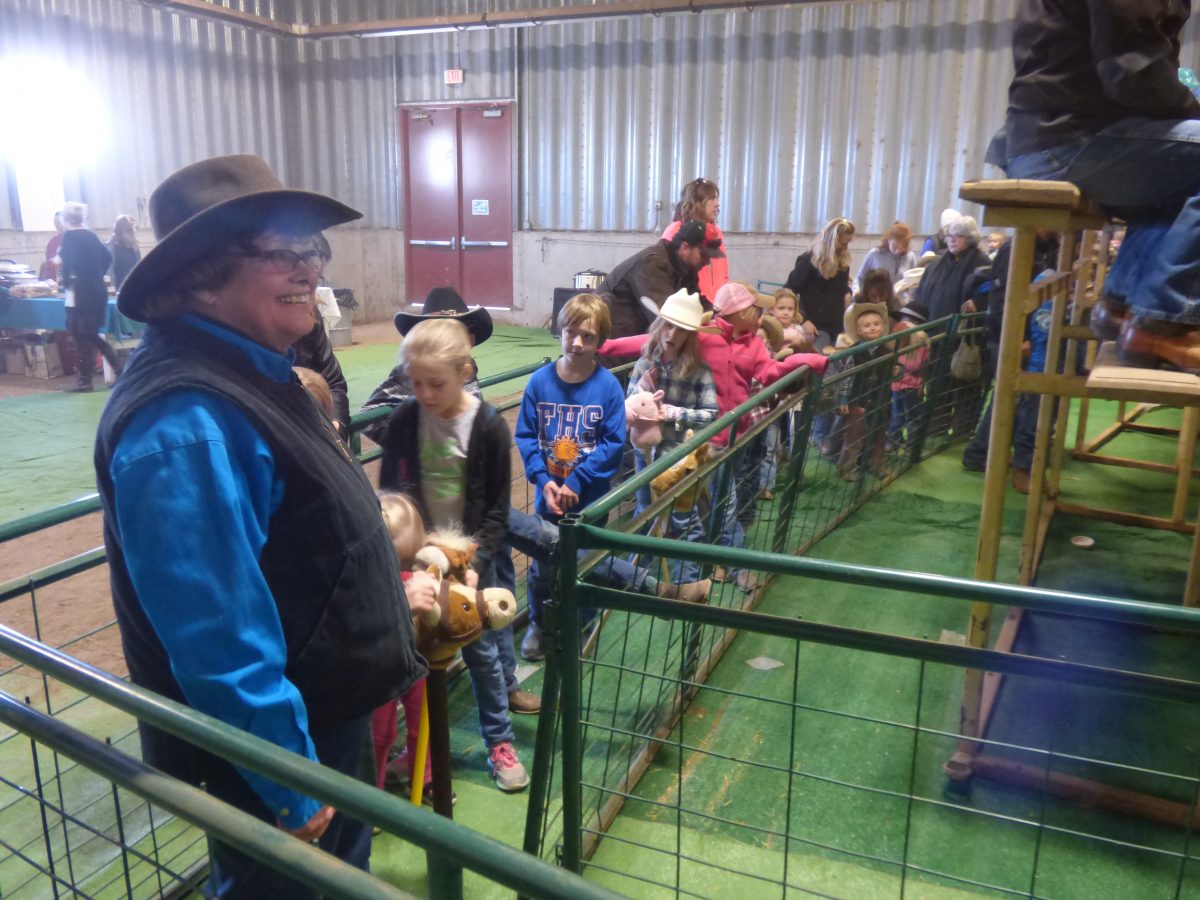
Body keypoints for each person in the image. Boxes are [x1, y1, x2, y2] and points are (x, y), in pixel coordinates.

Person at [94, 155, 430, 897]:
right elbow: (215, 632)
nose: (311, 268)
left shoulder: (254, 370)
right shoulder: (187, 417)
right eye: (283, 252)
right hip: (285, 745)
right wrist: (290, 777)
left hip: (323, 713)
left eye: (313, 249)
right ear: (201, 276)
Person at [984, 0, 1200, 369]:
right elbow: (1132, 70)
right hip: (1066, 140)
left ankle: (1123, 306)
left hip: (1053, 135)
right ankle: (1162, 321)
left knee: (1178, 171)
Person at [374, 317, 531, 793]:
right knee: (415, 653)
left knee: (481, 652)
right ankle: (418, 749)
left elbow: (497, 512)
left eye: (435, 384)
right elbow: (392, 494)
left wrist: (471, 567)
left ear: (464, 372)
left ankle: (499, 742)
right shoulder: (405, 420)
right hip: (415, 562)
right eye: (415, 383)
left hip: (467, 561)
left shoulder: (487, 427)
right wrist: (407, 556)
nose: (424, 394)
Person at [515, 293, 627, 660]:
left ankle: (582, 624)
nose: (577, 343)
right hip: (548, 496)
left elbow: (613, 443)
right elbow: (526, 435)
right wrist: (542, 479)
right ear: (560, 331)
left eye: (587, 337)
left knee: (586, 564)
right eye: (570, 333)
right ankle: (540, 623)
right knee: (542, 567)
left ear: (600, 341)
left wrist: (577, 481)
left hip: (589, 500)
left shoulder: (608, 387)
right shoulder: (539, 383)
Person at [624, 288, 719, 580]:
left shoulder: (699, 371)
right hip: (646, 453)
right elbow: (629, 403)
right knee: (645, 512)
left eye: (681, 329)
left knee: (684, 519)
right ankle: (636, 579)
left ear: (690, 335)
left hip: (680, 457)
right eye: (668, 325)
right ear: (659, 325)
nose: (672, 334)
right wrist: (640, 404)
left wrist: (676, 413)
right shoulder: (645, 364)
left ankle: (685, 583)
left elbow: (711, 414)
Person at [359, 287, 493, 443]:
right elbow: (367, 416)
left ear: (470, 340)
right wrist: (411, 442)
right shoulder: (413, 371)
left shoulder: (467, 367)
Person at [597, 220, 723, 341]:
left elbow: (696, 302)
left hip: (633, 339)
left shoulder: (686, 269)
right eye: (704, 255)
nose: (707, 262)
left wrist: (721, 314)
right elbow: (665, 317)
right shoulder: (652, 265)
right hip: (609, 343)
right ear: (685, 247)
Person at [291, 234, 350, 437]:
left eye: (312, 261)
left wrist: (335, 424)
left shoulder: (308, 313)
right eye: (283, 257)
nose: (310, 278)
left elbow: (334, 382)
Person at [59, 201, 120, 393]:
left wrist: (67, 282)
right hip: (97, 290)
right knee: (88, 334)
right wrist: (96, 274)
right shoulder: (91, 236)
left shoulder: (69, 237)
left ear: (65, 219)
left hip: (81, 292)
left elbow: (67, 265)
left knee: (83, 335)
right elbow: (107, 258)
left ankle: (88, 380)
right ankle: (94, 377)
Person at [828, 302, 893, 481]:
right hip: (858, 400)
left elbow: (893, 373)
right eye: (867, 325)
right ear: (859, 330)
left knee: (879, 434)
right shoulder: (854, 351)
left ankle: (877, 465)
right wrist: (843, 398)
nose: (872, 328)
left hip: (880, 400)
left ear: (883, 326)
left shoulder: (887, 351)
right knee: (854, 436)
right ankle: (846, 468)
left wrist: (896, 371)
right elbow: (847, 376)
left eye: (876, 324)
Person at [783, 217, 855, 352]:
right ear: (831, 241)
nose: (845, 247)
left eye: (848, 243)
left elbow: (841, 287)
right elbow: (788, 291)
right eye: (842, 243)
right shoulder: (808, 261)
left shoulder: (842, 263)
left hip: (836, 325)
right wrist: (803, 320)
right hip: (815, 327)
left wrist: (848, 292)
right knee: (818, 356)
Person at [661, 178, 729, 302]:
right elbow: (668, 274)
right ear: (697, 202)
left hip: (715, 305)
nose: (717, 204)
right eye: (712, 198)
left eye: (717, 198)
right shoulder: (675, 231)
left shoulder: (715, 232)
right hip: (690, 303)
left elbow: (722, 272)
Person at [913, 215, 991, 321]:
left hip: (960, 327)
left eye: (959, 236)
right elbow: (920, 293)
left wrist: (977, 303)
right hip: (931, 324)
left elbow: (989, 295)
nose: (952, 240)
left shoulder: (982, 265)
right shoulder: (935, 265)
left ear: (970, 238)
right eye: (950, 235)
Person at [887, 302, 931, 454]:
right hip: (900, 386)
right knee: (900, 416)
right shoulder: (898, 341)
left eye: (909, 320)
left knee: (909, 416)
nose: (904, 323)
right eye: (903, 319)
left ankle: (909, 446)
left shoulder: (919, 342)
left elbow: (916, 365)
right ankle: (896, 443)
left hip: (910, 387)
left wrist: (900, 359)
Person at [855, 222, 917, 290]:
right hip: (878, 295)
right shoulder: (874, 254)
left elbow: (913, 283)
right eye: (894, 246)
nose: (897, 251)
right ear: (889, 240)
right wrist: (856, 291)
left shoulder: (910, 257)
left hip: (900, 296)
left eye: (902, 248)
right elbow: (859, 278)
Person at [107, 214, 141, 292]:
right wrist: (112, 293)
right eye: (132, 230)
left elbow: (139, 269)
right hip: (118, 290)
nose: (134, 232)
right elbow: (109, 273)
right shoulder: (111, 247)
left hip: (133, 288)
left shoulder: (134, 247)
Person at [40, 210, 64, 281]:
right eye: (55, 222)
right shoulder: (52, 241)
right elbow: (48, 264)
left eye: (59, 222)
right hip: (53, 279)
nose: (57, 225)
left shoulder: (72, 241)